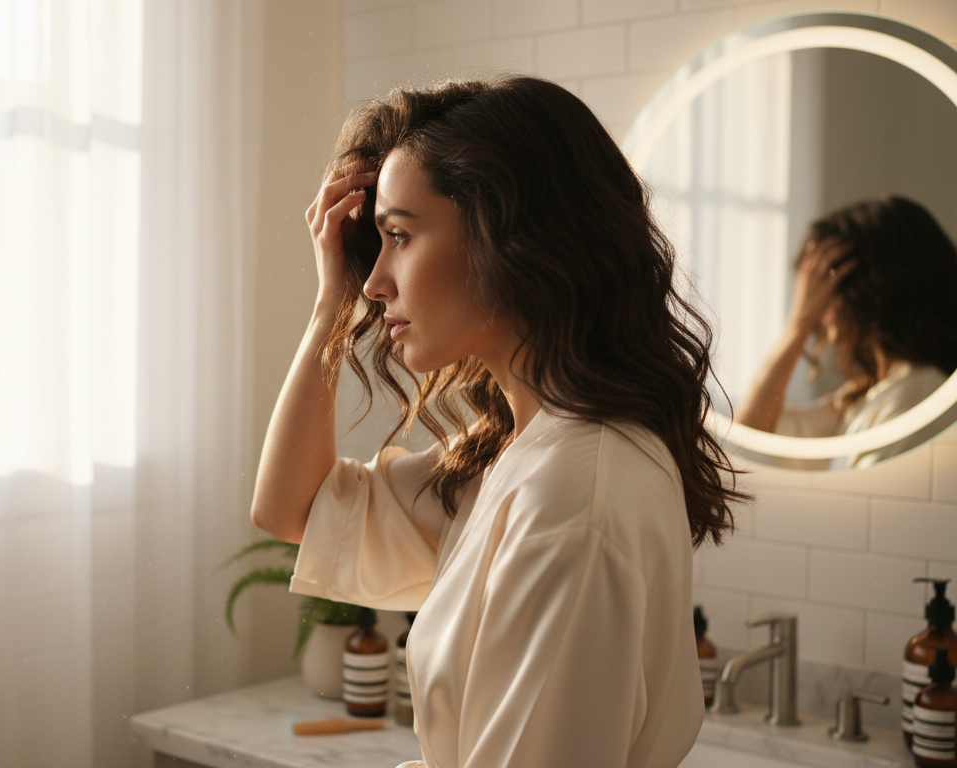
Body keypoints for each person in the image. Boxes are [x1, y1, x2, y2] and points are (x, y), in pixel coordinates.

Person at [249, 76, 746, 768]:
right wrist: (331, 298)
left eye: (399, 236)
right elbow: (293, 510)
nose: (375, 282)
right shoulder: (522, 455)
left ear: (508, 237)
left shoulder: (570, 497)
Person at [737, 197, 957, 468]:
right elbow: (749, 435)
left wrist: (800, 322)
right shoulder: (872, 394)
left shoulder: (917, 395)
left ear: (870, 288)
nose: (819, 310)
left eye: (825, 286)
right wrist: (798, 323)